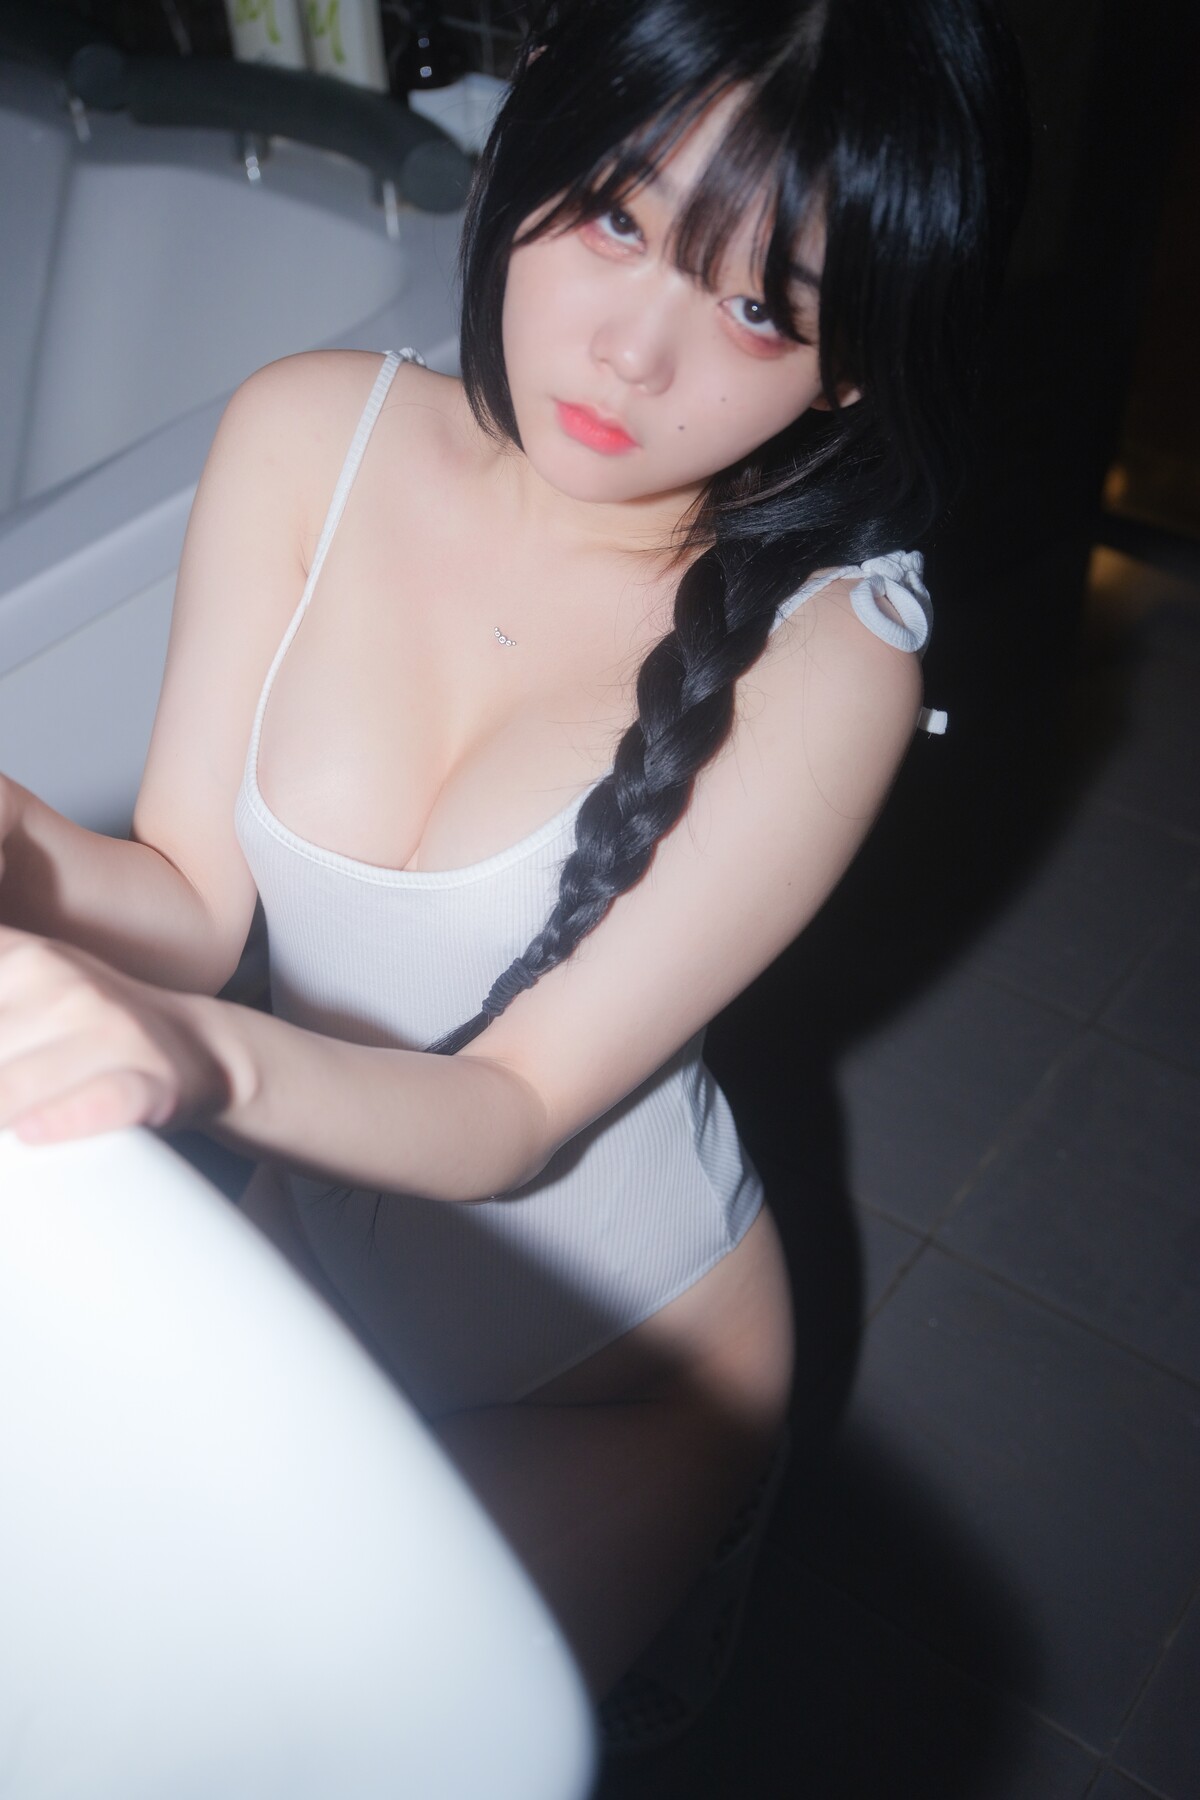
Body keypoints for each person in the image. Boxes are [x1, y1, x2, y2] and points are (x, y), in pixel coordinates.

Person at [0, 0, 1027, 1747]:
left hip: (616, 1381)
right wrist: (24, 847)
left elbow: (509, 1114)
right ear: (534, 127)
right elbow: (190, 901)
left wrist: (196, 1058)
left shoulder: (834, 662)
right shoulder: (306, 433)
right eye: (619, 215)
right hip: (318, 1234)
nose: (632, 354)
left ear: (850, 365)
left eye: (759, 306)